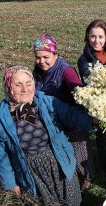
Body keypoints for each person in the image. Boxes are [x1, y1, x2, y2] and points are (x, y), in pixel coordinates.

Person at [0, 66, 98, 206]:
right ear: (9, 87)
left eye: (29, 83)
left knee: (72, 201)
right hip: (31, 169)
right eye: (18, 84)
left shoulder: (45, 101)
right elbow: (1, 157)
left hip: (57, 159)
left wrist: (92, 120)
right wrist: (10, 183)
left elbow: (70, 114)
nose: (25, 89)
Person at [32, 33, 94, 191]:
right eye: (37, 57)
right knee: (64, 151)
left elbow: (77, 90)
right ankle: (69, 174)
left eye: (45, 57)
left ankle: (88, 176)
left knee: (80, 150)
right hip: (53, 121)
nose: (41, 61)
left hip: (72, 120)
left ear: (55, 54)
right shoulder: (37, 71)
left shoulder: (66, 71)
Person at [77, 19, 106, 171]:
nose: (97, 40)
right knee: (103, 133)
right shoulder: (84, 60)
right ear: (87, 37)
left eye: (101, 37)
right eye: (93, 37)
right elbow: (87, 75)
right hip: (99, 104)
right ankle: (105, 157)